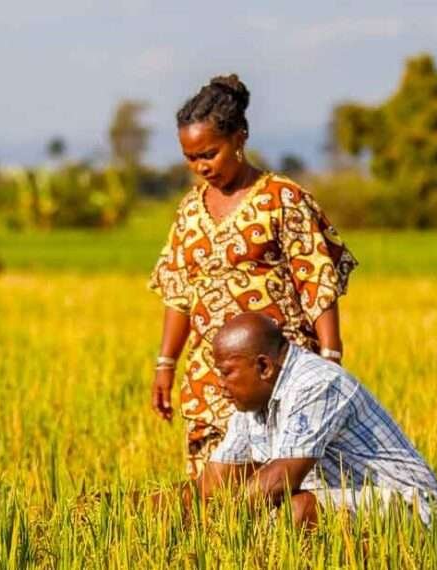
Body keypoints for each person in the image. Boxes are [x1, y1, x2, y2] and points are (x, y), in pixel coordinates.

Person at [149, 74, 358, 479]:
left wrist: (330, 358)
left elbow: (317, 279)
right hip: (211, 376)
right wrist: (165, 364)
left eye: (209, 153)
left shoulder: (282, 198)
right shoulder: (189, 210)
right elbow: (178, 292)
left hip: (273, 372)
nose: (200, 167)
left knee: (280, 483)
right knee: (215, 491)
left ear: (240, 137)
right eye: (190, 158)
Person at [197, 312, 437, 527]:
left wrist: (221, 529)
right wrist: (173, 510)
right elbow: (214, 482)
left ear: (264, 367)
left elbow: (279, 480)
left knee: (295, 512)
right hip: (342, 498)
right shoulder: (252, 400)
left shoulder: (315, 383)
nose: (220, 385)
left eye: (226, 373)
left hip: (414, 509)